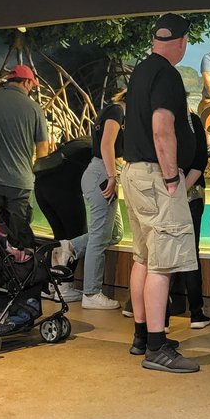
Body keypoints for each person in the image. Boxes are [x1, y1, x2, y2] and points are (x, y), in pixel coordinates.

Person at [122, 13, 201, 373]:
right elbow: (162, 128)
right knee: (164, 262)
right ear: (182, 43)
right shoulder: (167, 74)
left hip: (133, 173)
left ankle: (142, 335)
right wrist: (172, 178)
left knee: (143, 256)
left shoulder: (141, 70)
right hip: (156, 175)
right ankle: (157, 346)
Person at [0, 64, 50, 251]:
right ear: (26, 81)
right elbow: (42, 148)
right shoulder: (34, 108)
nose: (32, 89)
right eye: (32, 85)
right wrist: (40, 176)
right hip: (20, 182)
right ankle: (22, 270)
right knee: (19, 233)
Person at [77, 91, 126, 310]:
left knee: (114, 233)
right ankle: (91, 292)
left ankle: (69, 247)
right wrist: (112, 176)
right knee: (99, 236)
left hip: (99, 172)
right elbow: (107, 145)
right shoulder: (117, 111)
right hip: (102, 173)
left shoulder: (112, 110)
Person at [171, 109, 210, 328]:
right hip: (191, 193)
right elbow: (200, 160)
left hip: (165, 193)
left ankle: (162, 314)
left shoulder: (161, 117)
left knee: (163, 251)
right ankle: (196, 312)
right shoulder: (191, 119)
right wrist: (183, 189)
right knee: (190, 252)